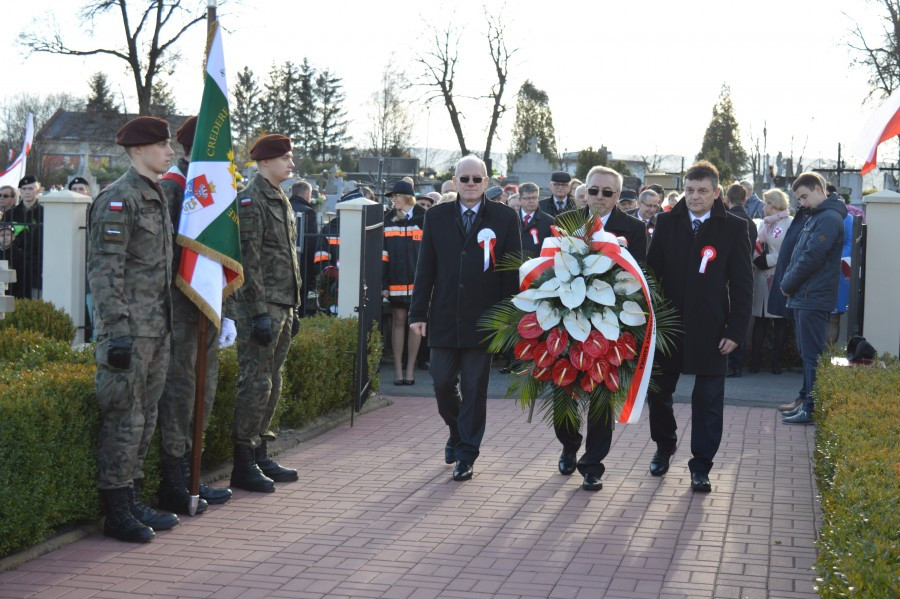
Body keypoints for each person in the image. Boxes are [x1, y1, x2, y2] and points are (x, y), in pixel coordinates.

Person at [87, 116, 179, 543]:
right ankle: (117, 510)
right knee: (124, 418)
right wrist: (116, 329)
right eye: (162, 146)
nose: (170, 151)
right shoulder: (119, 198)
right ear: (138, 150)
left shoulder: (154, 195)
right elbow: (106, 270)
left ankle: (135, 497)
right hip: (129, 331)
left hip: (157, 328)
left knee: (147, 416)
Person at [409, 155, 521, 482]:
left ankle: (467, 454)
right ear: (455, 182)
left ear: (486, 182)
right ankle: (456, 432)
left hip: (484, 320)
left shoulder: (503, 217)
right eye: (464, 179)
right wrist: (418, 312)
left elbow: (511, 269)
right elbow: (425, 267)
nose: (470, 184)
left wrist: (508, 317)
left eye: (477, 179)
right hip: (444, 315)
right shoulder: (437, 216)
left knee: (474, 388)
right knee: (442, 383)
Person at [644, 160, 752, 493]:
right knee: (658, 394)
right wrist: (648, 323)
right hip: (669, 328)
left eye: (702, 191)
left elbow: (743, 284)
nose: (694, 197)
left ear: (716, 193)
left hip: (712, 330)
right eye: (689, 190)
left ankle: (701, 465)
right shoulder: (666, 222)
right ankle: (665, 445)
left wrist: (735, 331)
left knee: (708, 401)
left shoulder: (734, 227)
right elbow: (652, 275)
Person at [155, 115, 234, 516]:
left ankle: (193, 476)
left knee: (204, 392)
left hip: (205, 306)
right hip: (179, 310)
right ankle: (174, 481)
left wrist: (228, 310)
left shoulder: (215, 190)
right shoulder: (172, 189)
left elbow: (224, 256)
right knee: (181, 395)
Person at [553, 165, 646, 491]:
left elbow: (641, 279)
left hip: (611, 327)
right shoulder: (567, 223)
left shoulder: (633, 228)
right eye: (594, 190)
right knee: (564, 390)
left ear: (618, 196)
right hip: (568, 321)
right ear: (585, 190)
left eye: (608, 192)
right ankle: (568, 443)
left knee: (602, 399)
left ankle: (593, 464)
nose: (600, 198)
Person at [230, 134, 302, 491]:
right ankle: (243, 460)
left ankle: (261, 450)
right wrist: (257, 311)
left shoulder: (280, 197)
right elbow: (250, 261)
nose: (291, 163)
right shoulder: (250, 200)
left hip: (283, 304)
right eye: (284, 157)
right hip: (262, 307)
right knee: (256, 381)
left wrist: (295, 304)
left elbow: (287, 256)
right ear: (263, 162)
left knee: (273, 379)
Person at [780, 172, 847, 425]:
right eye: (799, 198)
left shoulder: (828, 218)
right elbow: (801, 255)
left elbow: (810, 258)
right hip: (806, 295)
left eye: (805, 196)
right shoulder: (818, 216)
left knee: (812, 356)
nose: (802, 203)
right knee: (808, 353)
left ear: (819, 189)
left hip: (812, 296)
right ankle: (807, 402)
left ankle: (812, 407)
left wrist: (787, 284)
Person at [382, 180, 426, 385]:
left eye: (395, 196)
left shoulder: (424, 218)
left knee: (415, 324)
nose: (393, 200)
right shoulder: (388, 219)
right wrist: (383, 284)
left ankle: (411, 369)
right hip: (396, 281)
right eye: (392, 197)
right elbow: (383, 255)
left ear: (407, 197)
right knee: (398, 321)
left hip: (419, 282)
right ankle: (398, 371)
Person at [749, 189, 792, 375]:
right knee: (760, 320)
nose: (763, 206)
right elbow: (757, 245)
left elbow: (788, 251)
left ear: (775, 204)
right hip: (761, 274)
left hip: (778, 275)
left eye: (766, 203)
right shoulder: (764, 224)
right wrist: (756, 258)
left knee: (779, 321)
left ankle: (776, 363)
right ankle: (755, 363)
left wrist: (768, 261)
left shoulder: (789, 223)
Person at [723, 183, 758, 378]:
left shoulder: (728, 221)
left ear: (727, 199)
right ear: (745, 199)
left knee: (728, 319)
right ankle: (737, 363)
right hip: (744, 273)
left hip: (726, 276)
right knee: (740, 318)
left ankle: (731, 362)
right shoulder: (750, 222)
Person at [10, 175, 43, 299]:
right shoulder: (11, 214)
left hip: (37, 266)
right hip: (16, 265)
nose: (27, 192)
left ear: (38, 190)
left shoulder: (45, 213)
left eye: (31, 188)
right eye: (24, 189)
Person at [289, 179, 318, 315]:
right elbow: (312, 242)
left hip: (282, 262)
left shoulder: (283, 207)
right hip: (303, 264)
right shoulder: (309, 212)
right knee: (300, 302)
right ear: (307, 195)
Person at [517, 182, 554, 257]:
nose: (531, 201)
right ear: (520, 199)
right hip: (514, 264)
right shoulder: (512, 219)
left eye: (534, 198)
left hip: (538, 265)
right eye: (527, 198)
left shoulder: (549, 221)